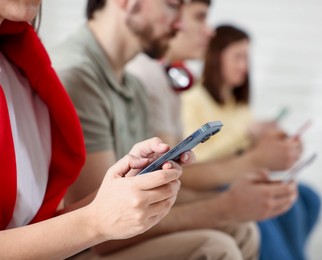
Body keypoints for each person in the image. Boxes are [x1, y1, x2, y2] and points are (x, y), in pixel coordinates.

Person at [52, 0, 297, 259]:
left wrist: (234, 201)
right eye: (172, 6)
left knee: (241, 229)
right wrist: (224, 206)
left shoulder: (132, 85)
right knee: (215, 248)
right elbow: (101, 232)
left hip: (107, 236)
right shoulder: (77, 77)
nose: (179, 23)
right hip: (83, 247)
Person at [0, 1, 185, 259]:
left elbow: (31, 226)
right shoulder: (70, 71)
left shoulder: (20, 67)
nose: (181, 24)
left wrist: (121, 190)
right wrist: (94, 222)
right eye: (173, 5)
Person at [182, 24, 322, 260]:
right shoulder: (192, 98)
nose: (244, 66)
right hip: (215, 181)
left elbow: (247, 147)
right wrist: (248, 140)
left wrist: (269, 140)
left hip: (241, 173)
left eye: (247, 58)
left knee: (307, 197)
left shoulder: (239, 104)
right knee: (276, 207)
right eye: (238, 57)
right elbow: (198, 159)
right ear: (216, 56)